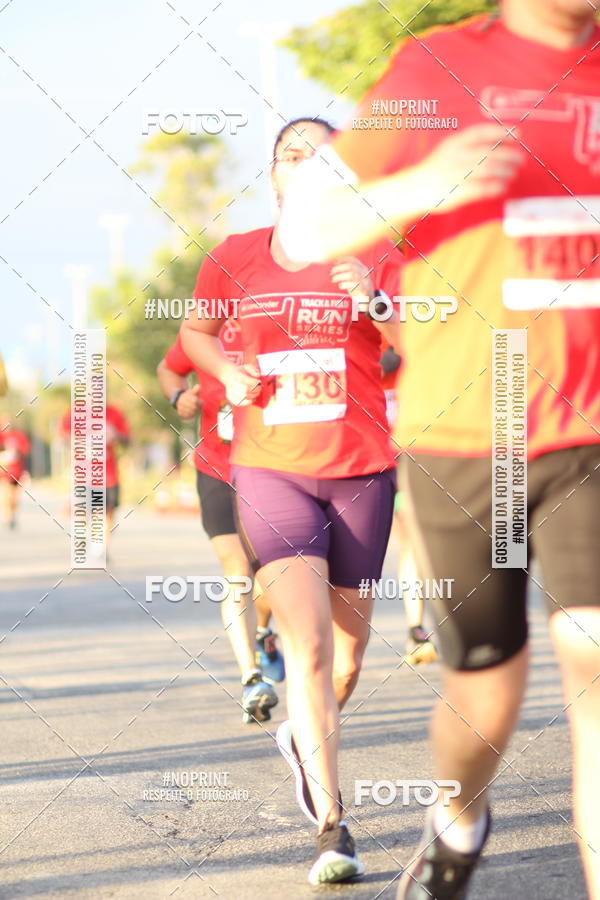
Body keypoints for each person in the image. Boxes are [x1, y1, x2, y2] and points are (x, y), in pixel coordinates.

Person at [278, 3, 600, 897]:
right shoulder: (434, 69)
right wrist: (425, 186)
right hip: (469, 431)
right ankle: (459, 816)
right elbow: (307, 228)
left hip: (592, 429)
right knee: (485, 692)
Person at [180, 116, 402, 884]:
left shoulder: (374, 248)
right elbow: (195, 332)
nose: (303, 164)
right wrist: (227, 375)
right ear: (273, 173)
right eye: (289, 154)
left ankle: (304, 735)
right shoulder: (236, 255)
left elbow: (422, 337)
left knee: (345, 659)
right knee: (304, 651)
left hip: (363, 470)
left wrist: (375, 300)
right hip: (271, 471)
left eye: (320, 155)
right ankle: (333, 827)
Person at [156, 324, 285, 725]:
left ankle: (263, 631)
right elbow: (168, 367)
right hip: (216, 468)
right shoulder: (206, 327)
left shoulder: (281, 313)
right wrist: (180, 397)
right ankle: (252, 678)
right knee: (237, 569)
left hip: (274, 466)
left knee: (272, 575)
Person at [381, 346, 438, 665]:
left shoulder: (412, 321)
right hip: (357, 457)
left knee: (413, 540)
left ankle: (416, 629)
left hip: (405, 455)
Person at [60, 403, 130, 557]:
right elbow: (63, 435)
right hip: (83, 474)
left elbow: (127, 439)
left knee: (107, 511)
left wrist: (115, 434)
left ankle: (102, 547)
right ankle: (82, 537)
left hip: (108, 474)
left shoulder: (114, 413)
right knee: (83, 510)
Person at [0, 414, 30, 529]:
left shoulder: (19, 436)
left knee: (15, 498)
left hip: (18, 472)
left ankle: (12, 515)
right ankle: (7, 516)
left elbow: (25, 450)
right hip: (4, 473)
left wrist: (16, 452)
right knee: (6, 495)